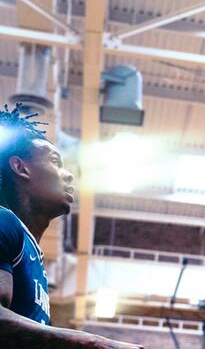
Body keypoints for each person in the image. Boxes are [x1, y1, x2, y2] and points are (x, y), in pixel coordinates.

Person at [0, 104, 143, 348]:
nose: (68, 175)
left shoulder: (33, 256)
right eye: (55, 161)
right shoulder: (4, 222)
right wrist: (94, 342)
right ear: (21, 168)